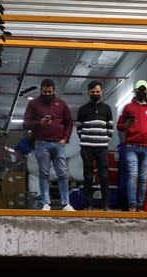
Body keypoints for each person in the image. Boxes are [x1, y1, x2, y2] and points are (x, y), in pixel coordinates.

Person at [23, 78, 74, 211]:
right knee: (44, 173)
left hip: (58, 143)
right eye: (44, 92)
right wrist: (39, 123)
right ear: (41, 90)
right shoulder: (33, 104)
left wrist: (66, 139)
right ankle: (46, 203)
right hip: (41, 143)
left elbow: (69, 122)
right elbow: (25, 123)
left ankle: (66, 204)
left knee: (62, 173)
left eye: (49, 92)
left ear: (54, 90)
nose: (47, 94)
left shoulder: (61, 104)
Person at [117, 79, 147, 212]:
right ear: (135, 91)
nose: (142, 91)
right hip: (131, 147)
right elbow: (119, 125)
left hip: (146, 147)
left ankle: (140, 206)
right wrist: (127, 126)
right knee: (133, 175)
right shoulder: (128, 107)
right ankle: (132, 205)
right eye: (139, 89)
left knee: (143, 178)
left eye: (143, 89)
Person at [76, 80, 114, 210]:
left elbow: (110, 128)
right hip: (87, 148)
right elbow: (79, 128)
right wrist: (87, 140)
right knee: (88, 176)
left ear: (102, 92)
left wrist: (104, 140)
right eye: (93, 92)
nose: (95, 94)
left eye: (98, 92)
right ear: (88, 93)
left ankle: (106, 205)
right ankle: (89, 205)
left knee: (104, 176)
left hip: (102, 148)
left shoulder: (107, 108)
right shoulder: (82, 109)